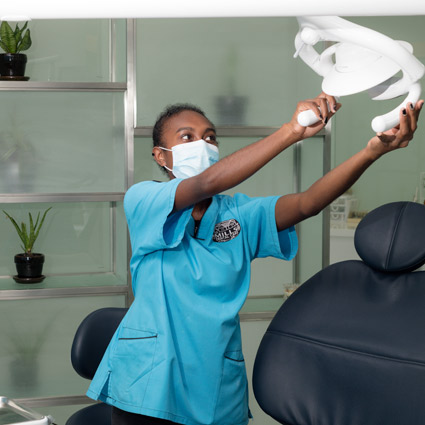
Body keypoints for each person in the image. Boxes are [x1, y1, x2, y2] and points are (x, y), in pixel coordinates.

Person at [87, 93, 423, 425]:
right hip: (148, 384)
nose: (202, 144)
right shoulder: (143, 200)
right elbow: (206, 182)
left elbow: (307, 203)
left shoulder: (238, 215)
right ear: (161, 156)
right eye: (187, 137)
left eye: (210, 137)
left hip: (215, 384)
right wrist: (291, 131)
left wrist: (371, 152)